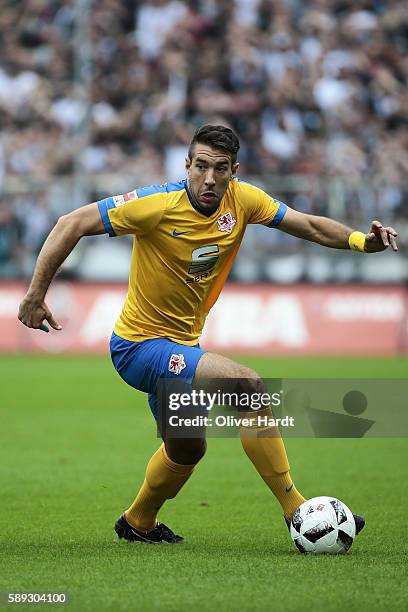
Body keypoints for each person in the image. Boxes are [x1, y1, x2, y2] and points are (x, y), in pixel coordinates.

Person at [18, 125, 398, 544]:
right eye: (201, 166)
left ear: (234, 171)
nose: (210, 179)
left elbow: (307, 225)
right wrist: (35, 296)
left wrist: (363, 242)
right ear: (187, 166)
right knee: (247, 385)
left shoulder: (244, 201)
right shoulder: (156, 204)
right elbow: (70, 223)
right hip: (138, 347)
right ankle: (298, 511)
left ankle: (137, 521)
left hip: (183, 346)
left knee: (187, 448)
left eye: (220, 169)